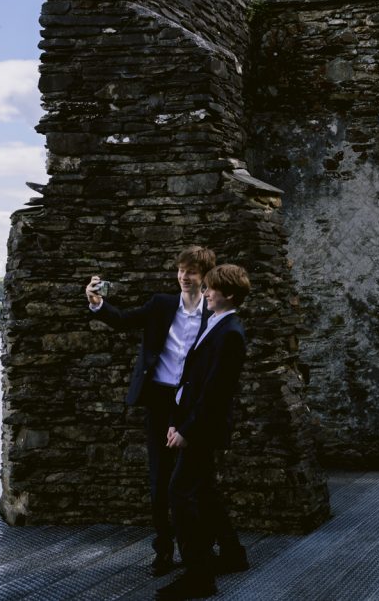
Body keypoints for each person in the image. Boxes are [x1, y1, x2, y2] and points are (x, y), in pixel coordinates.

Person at [85, 246, 247, 577]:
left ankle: (210, 553)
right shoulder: (161, 305)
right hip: (160, 400)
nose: (183, 277)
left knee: (195, 483)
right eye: (180, 270)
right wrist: (97, 304)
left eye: (191, 272)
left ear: (205, 279)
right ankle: (164, 551)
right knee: (161, 481)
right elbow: (123, 321)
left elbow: (216, 369)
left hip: (192, 405)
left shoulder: (214, 314)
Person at [157, 264, 250, 601]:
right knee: (206, 489)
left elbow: (214, 393)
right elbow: (192, 381)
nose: (206, 292)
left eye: (211, 288)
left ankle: (199, 576)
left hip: (203, 429)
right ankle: (231, 553)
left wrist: (188, 430)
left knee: (179, 493)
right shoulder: (216, 324)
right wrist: (175, 420)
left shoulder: (231, 333)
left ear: (229, 294)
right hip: (193, 424)